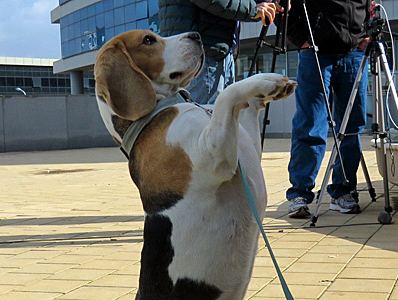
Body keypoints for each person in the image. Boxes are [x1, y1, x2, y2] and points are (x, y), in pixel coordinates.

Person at [285, 0, 372, 217]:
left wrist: (365, 37)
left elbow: (370, 7)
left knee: (351, 127)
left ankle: (343, 191)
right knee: (311, 124)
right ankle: (300, 193)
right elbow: (283, 8)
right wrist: (300, 40)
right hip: (315, 53)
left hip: (354, 54)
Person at [158, 0, 282, 104]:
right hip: (202, 52)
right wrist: (253, 9)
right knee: (204, 122)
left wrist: (269, 4)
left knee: (218, 121)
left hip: (214, 49)